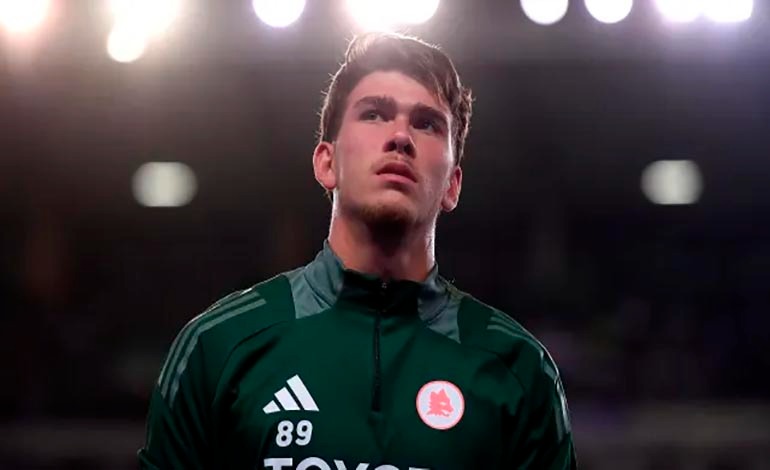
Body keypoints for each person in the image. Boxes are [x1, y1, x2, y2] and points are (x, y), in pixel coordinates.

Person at [138, 32, 577, 470]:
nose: (400, 136)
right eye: (374, 114)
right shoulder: (218, 346)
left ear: (453, 185)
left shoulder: (518, 370)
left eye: (427, 123)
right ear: (326, 163)